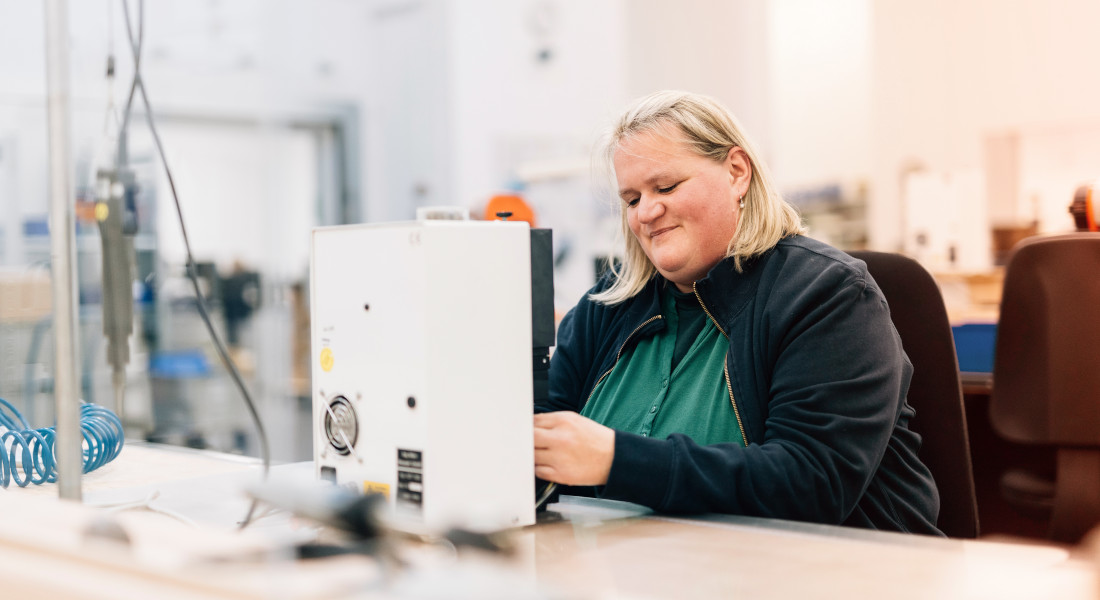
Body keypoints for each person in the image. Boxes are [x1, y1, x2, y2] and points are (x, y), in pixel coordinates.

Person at [533, 90, 941, 535]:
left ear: (736, 173)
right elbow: (539, 447)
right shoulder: (605, 308)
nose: (646, 212)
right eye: (631, 199)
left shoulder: (827, 295)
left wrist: (616, 460)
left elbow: (811, 483)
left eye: (666, 187)